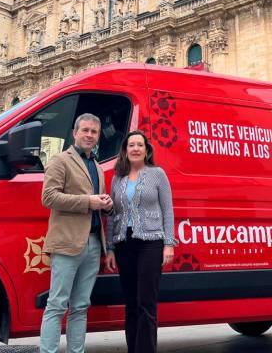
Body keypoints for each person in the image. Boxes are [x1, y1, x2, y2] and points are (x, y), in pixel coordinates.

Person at [39, 113, 114, 353]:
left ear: (98, 136)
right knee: (56, 305)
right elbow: (48, 197)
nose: (89, 135)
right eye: (85, 130)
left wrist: (106, 204)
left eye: (94, 131)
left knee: (81, 306)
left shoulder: (97, 167)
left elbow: (95, 204)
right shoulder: (60, 160)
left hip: (93, 244)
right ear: (75, 133)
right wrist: (88, 201)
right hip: (66, 243)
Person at [105, 130, 176, 353]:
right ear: (125, 150)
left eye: (140, 145)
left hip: (150, 244)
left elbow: (168, 210)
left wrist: (169, 243)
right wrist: (110, 247)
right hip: (124, 245)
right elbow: (112, 214)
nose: (135, 148)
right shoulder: (118, 178)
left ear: (146, 150)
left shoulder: (157, 174)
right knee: (131, 303)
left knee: (146, 303)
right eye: (131, 145)